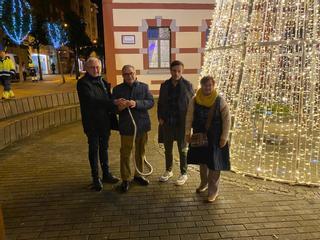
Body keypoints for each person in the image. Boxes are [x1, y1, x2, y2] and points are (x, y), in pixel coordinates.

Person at [77, 57, 120, 191]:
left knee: (104, 148)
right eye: (92, 67)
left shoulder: (102, 81)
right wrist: (112, 103)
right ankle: (96, 178)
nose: (96, 70)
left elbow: (108, 98)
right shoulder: (83, 83)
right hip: (92, 123)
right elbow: (92, 100)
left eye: (98, 67)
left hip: (105, 122)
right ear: (86, 68)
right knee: (94, 150)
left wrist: (117, 105)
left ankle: (106, 174)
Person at [185, 76, 231, 202]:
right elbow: (189, 117)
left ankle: (213, 191)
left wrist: (224, 137)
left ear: (213, 85)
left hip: (216, 138)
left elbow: (227, 120)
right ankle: (204, 183)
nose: (208, 88)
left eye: (210, 85)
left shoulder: (219, 100)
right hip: (200, 136)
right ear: (201, 86)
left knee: (215, 165)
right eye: (205, 85)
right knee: (203, 162)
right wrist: (187, 133)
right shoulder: (194, 100)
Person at [112, 65, 154, 193]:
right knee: (125, 154)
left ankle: (138, 175)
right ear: (122, 75)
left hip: (142, 126)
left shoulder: (144, 87)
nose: (129, 76)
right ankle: (125, 179)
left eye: (131, 73)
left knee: (140, 152)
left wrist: (136, 103)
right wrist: (119, 107)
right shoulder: (118, 89)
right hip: (127, 127)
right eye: (125, 74)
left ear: (135, 73)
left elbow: (151, 102)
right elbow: (113, 108)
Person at [158, 60, 194, 185]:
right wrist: (160, 117)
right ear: (170, 71)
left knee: (182, 149)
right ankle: (168, 170)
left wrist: (190, 124)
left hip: (181, 124)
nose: (176, 73)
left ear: (182, 71)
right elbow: (160, 103)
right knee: (168, 149)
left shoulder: (188, 85)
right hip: (167, 123)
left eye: (179, 71)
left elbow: (191, 105)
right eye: (174, 71)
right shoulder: (165, 85)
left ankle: (184, 173)